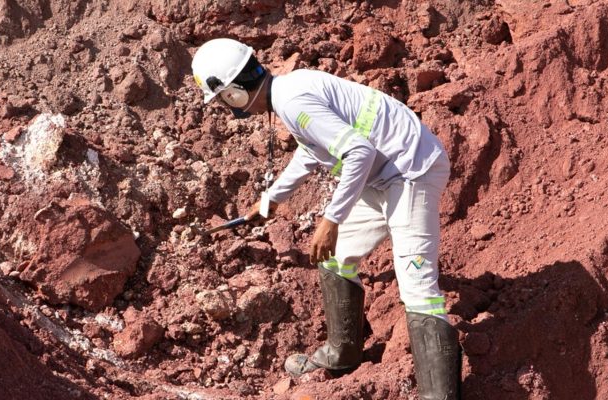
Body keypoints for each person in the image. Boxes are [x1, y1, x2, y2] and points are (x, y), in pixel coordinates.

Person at [191, 38, 460, 399]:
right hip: (382, 177)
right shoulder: (288, 92)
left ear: (235, 94)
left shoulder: (292, 100)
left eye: (224, 99)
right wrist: (271, 200)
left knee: (418, 287)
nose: (227, 107)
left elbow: (359, 151)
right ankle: (343, 354)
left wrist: (331, 219)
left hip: (411, 172)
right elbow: (312, 150)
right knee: (335, 257)